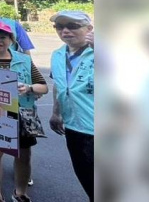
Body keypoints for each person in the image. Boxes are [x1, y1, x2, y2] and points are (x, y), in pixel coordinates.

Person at [0, 21, 48, 202]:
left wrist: (29, 88)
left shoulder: (24, 60)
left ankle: (20, 193)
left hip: (22, 114)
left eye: (3, 37)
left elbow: (43, 87)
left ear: (11, 40)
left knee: (23, 154)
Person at [48, 11, 94, 201]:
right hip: (74, 128)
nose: (65, 31)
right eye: (59, 27)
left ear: (89, 29)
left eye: (73, 26)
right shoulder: (58, 55)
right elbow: (59, 84)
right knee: (87, 177)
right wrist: (56, 112)